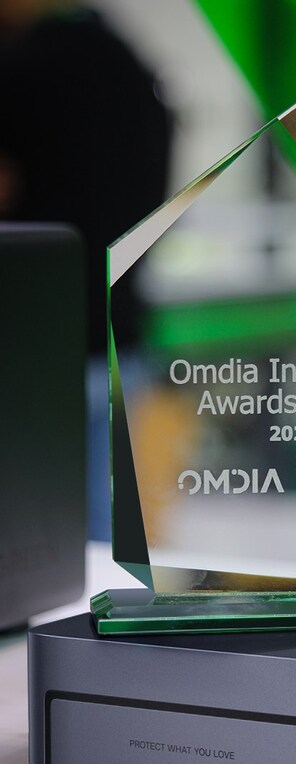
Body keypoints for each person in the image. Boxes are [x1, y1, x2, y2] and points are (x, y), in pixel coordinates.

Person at [0, 0, 172, 538]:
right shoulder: (133, 65)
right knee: (107, 536)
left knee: (32, 538)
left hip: (36, 347)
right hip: (121, 336)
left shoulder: (21, 69)